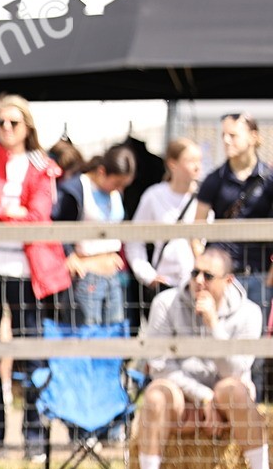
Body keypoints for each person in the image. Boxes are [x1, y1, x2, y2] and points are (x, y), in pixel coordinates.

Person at [0, 94, 71, 461]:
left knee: (32, 355)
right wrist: (6, 210)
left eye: (14, 122)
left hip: (27, 274)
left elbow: (38, 216)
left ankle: (35, 437)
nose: (6, 128)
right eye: (1, 122)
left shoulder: (41, 164)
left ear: (27, 126)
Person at [137, 247, 270, 469]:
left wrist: (213, 326)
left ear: (228, 281)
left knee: (234, 389)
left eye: (208, 276)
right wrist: (203, 397)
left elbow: (236, 370)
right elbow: (158, 365)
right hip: (181, 393)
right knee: (156, 395)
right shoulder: (165, 303)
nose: (198, 281)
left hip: (227, 395)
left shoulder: (249, 312)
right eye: (194, 273)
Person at [194, 112, 272, 400]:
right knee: (216, 338)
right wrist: (203, 269)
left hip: (258, 275)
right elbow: (196, 228)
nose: (226, 141)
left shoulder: (269, 178)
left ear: (253, 137)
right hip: (221, 278)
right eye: (223, 135)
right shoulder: (215, 179)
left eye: (233, 135)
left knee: (255, 347)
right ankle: (216, 402)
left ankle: (252, 406)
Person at [52, 144, 137, 327]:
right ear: (102, 172)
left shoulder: (115, 194)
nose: (119, 189)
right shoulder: (75, 190)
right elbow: (57, 225)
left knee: (114, 332)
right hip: (85, 275)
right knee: (87, 332)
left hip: (113, 275)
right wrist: (69, 255)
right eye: (116, 183)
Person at [124, 138, 203, 312]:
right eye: (191, 161)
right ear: (172, 164)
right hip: (165, 283)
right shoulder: (154, 196)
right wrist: (147, 275)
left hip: (197, 284)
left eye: (200, 160)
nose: (198, 166)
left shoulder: (205, 198)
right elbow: (133, 240)